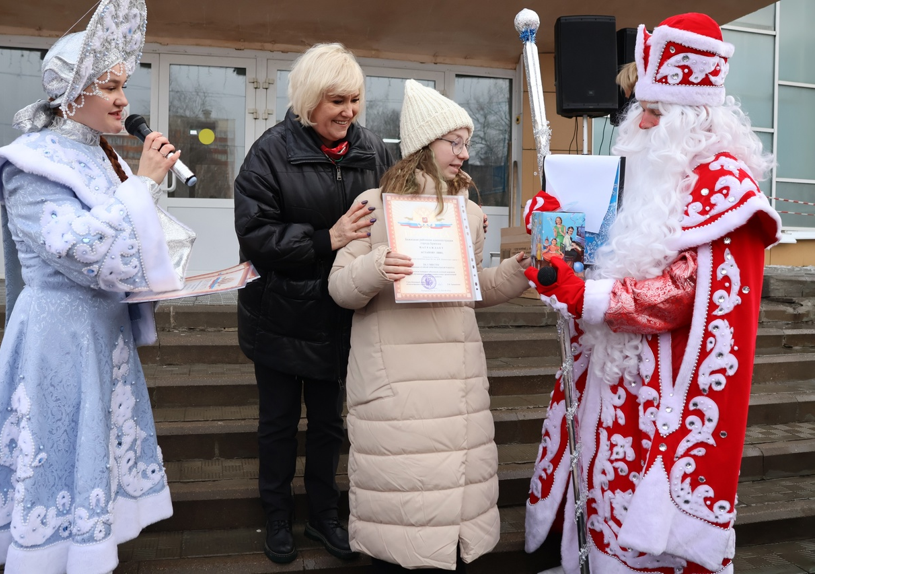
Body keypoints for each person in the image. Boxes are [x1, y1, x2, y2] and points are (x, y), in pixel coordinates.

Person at [523, 13, 782, 574]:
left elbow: (682, 294)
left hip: (664, 398)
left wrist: (584, 296)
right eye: (641, 107)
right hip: (614, 383)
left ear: (691, 116)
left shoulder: (724, 186)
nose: (639, 121)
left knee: (646, 532)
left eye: (653, 110)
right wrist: (555, 235)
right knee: (599, 494)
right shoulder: (646, 171)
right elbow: (599, 250)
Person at [0, 1, 191, 572]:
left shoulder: (99, 157)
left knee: (95, 450)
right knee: (58, 447)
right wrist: (145, 184)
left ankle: (88, 549)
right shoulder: (30, 160)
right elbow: (78, 249)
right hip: (57, 336)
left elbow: (131, 240)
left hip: (100, 332)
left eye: (123, 87)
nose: (122, 100)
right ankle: (46, 553)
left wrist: (147, 197)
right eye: (108, 87)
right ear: (71, 92)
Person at [328, 80, 530, 572]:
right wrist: (379, 265)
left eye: (467, 143)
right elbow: (339, 287)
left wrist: (517, 272)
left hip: (457, 384)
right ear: (423, 145)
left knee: (452, 513)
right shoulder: (374, 205)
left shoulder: (471, 212)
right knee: (404, 510)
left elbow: (469, 290)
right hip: (399, 387)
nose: (464, 153)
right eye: (453, 142)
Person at [233, 42, 394, 564]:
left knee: (329, 426)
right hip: (279, 316)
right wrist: (329, 238)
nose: (348, 111)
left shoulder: (373, 150)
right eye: (336, 101)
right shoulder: (269, 152)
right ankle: (277, 517)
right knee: (278, 425)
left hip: (342, 317)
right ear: (308, 100)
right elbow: (256, 234)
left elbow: (400, 208)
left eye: (354, 99)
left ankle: (325, 517)